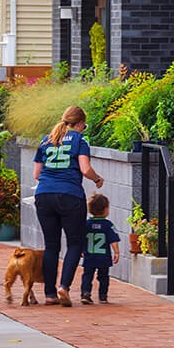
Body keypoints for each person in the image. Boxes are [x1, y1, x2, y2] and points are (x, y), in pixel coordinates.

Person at [33, 105, 103, 307]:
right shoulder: (80, 140)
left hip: (44, 195)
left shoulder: (46, 140)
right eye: (84, 125)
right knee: (74, 243)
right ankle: (64, 286)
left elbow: (36, 174)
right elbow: (85, 168)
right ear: (80, 123)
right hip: (70, 196)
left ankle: (50, 294)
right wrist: (97, 179)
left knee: (51, 245)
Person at [81, 192, 120, 304]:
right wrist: (116, 252)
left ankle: (85, 293)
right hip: (104, 256)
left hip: (89, 255)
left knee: (87, 275)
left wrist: (81, 249)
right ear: (105, 210)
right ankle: (103, 296)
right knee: (103, 277)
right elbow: (113, 240)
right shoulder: (108, 225)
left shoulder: (86, 224)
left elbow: (80, 238)